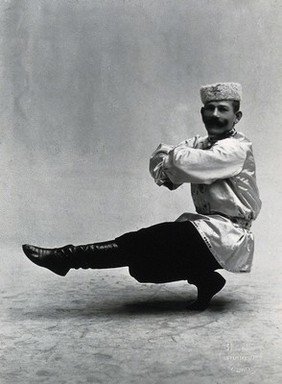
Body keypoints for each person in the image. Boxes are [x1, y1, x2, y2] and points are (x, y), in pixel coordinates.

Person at [22, 82, 261, 310]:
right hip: (206, 229)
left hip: (229, 235)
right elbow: (159, 160)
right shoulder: (200, 143)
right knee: (143, 268)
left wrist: (178, 159)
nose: (215, 115)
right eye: (210, 108)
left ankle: (65, 258)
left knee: (146, 241)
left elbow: (183, 163)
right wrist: (178, 161)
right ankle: (207, 280)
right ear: (202, 112)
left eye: (223, 109)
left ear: (236, 117)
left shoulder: (236, 148)